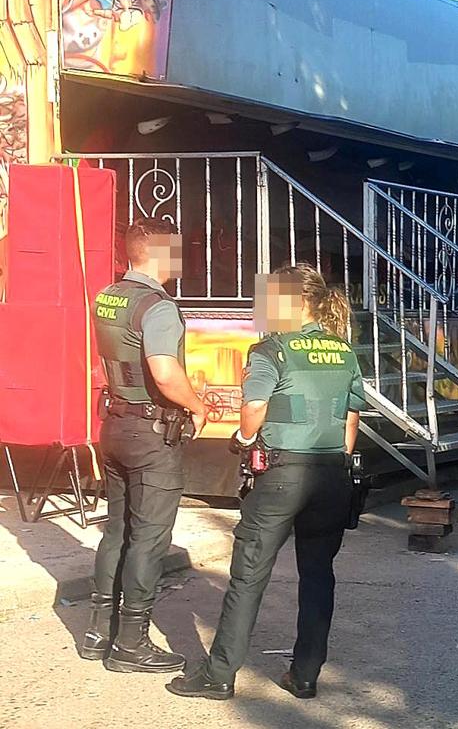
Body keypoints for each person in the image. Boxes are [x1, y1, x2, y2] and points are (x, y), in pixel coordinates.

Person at [168, 264, 365, 701]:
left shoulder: (270, 351)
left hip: (282, 475)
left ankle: (219, 675)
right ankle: (306, 674)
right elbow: (351, 419)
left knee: (248, 576)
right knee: (318, 575)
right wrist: (338, 462)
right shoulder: (343, 351)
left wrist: (241, 438)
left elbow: (254, 409)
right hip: (331, 473)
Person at [80, 217, 209, 672]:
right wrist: (198, 406)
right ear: (157, 253)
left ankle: (98, 631)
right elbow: (164, 372)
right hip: (151, 433)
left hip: (114, 424)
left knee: (117, 529)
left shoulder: (108, 297)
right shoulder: (158, 306)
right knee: (150, 540)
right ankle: (131, 644)